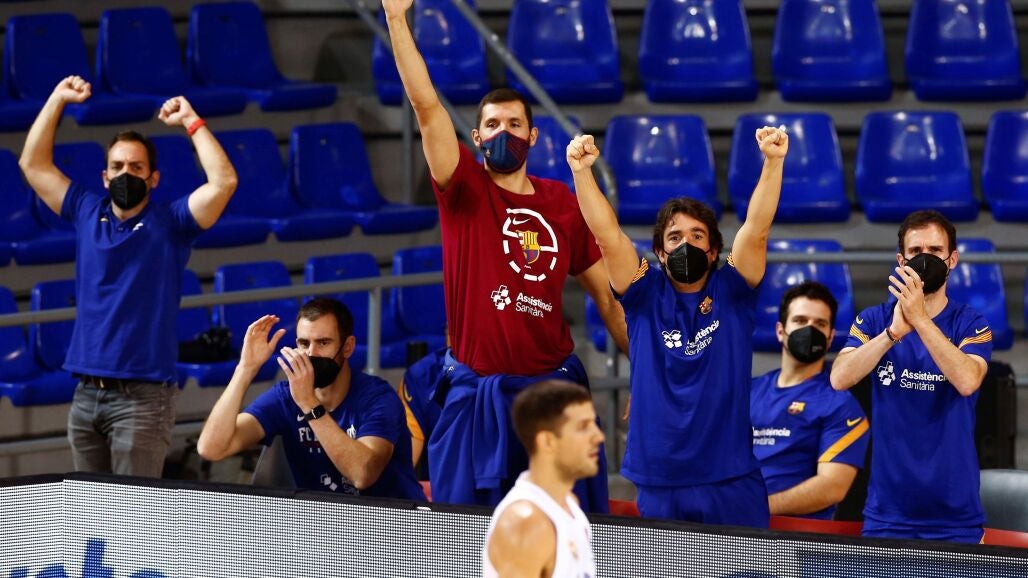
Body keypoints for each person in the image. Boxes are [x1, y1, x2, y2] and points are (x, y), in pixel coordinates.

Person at [383, 0, 628, 510]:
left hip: (553, 394)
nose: (503, 133)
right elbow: (426, 106)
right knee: (466, 536)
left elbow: (608, 297)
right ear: (476, 137)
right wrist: (396, 19)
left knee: (563, 531)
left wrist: (645, 377)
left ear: (533, 136)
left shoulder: (562, 202)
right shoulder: (463, 187)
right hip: (478, 397)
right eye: (492, 125)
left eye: (514, 124)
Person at [566, 126, 788, 527]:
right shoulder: (643, 293)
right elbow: (607, 237)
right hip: (660, 478)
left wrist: (772, 162)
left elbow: (756, 229)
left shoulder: (733, 291)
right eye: (674, 237)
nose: (686, 244)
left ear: (714, 250)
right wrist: (582, 173)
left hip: (730, 476)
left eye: (697, 235)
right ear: (660, 252)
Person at [18, 75, 237, 477]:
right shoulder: (86, 210)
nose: (125, 175)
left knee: (131, 512)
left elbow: (224, 182)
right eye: (117, 167)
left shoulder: (172, 222)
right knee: (90, 509)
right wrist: (57, 100)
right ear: (104, 177)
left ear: (153, 178)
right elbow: (32, 164)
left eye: (136, 167)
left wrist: (191, 120)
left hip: (143, 398)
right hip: (85, 393)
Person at [830, 210, 992, 543]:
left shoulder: (971, 323)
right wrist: (891, 334)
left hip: (955, 518)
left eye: (935, 250)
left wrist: (920, 320)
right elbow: (839, 378)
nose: (925, 258)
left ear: (952, 259)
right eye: (916, 251)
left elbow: (967, 381)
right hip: (887, 514)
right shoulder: (874, 320)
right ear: (901, 261)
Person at [197, 298, 425, 500]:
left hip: (392, 524)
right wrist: (245, 369)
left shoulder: (379, 399)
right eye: (304, 344)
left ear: (347, 347)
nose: (311, 354)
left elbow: (362, 474)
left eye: (323, 343)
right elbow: (211, 448)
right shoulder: (286, 396)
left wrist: (309, 404)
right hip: (322, 525)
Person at [750, 281, 869, 520]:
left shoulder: (841, 404)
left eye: (820, 324)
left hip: (797, 536)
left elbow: (832, 488)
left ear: (830, 337)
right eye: (800, 321)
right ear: (780, 331)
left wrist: (754, 508)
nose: (809, 330)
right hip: (734, 528)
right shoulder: (749, 391)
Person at [483, 380, 603, 578]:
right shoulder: (526, 524)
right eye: (583, 427)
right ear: (547, 441)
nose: (598, 436)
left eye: (593, 424)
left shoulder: (569, 503)